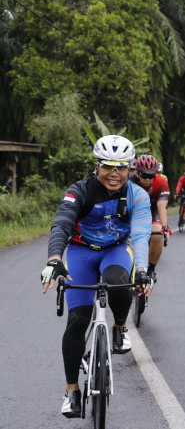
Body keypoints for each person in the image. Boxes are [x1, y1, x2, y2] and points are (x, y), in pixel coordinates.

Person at [40, 135, 152, 418]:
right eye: (107, 166)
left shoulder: (138, 195)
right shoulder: (80, 191)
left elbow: (139, 234)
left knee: (118, 282)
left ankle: (119, 328)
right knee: (78, 319)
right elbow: (63, 222)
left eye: (122, 167)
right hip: (81, 252)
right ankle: (72, 391)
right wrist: (54, 258)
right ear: (96, 166)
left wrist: (141, 270)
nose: (114, 174)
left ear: (130, 169)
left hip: (115, 250)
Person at [131, 154, 171, 281]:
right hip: (134, 212)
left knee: (157, 233)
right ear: (137, 173)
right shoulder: (130, 182)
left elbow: (162, 206)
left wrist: (165, 227)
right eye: (144, 175)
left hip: (153, 212)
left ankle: (151, 268)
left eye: (151, 176)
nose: (147, 179)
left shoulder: (161, 182)